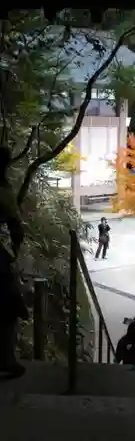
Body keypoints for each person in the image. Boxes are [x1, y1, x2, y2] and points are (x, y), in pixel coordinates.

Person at [0, 146, 27, 379]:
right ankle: (6, 358)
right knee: (8, 306)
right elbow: (16, 227)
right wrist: (14, 254)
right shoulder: (3, 190)